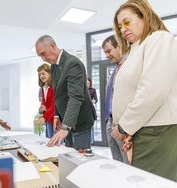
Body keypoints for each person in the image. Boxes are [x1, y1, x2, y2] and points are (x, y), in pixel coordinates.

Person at [111, 0, 177, 181]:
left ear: (144, 15)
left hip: (155, 132)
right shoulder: (136, 48)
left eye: (126, 22)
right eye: (119, 26)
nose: (123, 29)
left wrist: (124, 126)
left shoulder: (159, 39)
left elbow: (153, 91)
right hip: (141, 131)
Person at [35, 35, 95, 150]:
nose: (43, 59)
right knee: (68, 157)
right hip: (66, 121)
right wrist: (57, 115)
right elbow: (58, 95)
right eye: (40, 56)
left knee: (78, 160)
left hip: (80, 121)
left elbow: (75, 98)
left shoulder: (72, 63)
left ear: (52, 46)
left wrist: (65, 127)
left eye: (43, 53)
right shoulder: (53, 67)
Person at [102, 35, 128, 163]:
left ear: (120, 46)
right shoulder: (116, 69)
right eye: (105, 52)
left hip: (122, 121)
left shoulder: (129, 66)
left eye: (109, 51)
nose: (107, 55)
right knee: (117, 160)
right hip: (111, 120)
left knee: (126, 160)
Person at [35, 63, 55, 138]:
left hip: (56, 119)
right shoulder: (43, 88)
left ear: (49, 73)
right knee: (49, 140)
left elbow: (54, 106)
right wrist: (42, 108)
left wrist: (44, 117)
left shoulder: (53, 87)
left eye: (43, 73)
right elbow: (44, 104)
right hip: (49, 119)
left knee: (56, 144)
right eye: (39, 75)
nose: (41, 76)